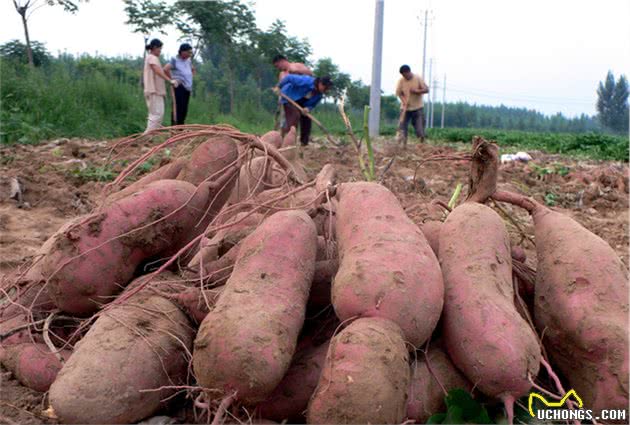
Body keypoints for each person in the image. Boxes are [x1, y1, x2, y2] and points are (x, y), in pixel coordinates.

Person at [274, 74, 333, 146]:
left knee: (307, 119)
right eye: (325, 88)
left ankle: (304, 143)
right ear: (320, 83)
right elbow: (289, 78)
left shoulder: (319, 95)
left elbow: (312, 104)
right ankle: (289, 141)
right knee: (294, 116)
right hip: (289, 98)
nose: (325, 90)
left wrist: (308, 108)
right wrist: (279, 86)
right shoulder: (306, 81)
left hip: (302, 104)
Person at [143, 38, 178, 133]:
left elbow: (160, 70)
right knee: (156, 114)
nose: (160, 51)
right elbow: (157, 70)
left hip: (156, 91)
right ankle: (145, 137)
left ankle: (149, 137)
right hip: (154, 90)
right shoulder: (152, 57)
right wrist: (169, 80)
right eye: (159, 49)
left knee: (158, 114)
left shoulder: (153, 58)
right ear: (154, 48)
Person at [272, 54, 312, 130]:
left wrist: (298, 71)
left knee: (304, 118)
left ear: (282, 61)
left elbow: (310, 74)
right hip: (288, 101)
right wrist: (279, 98)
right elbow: (281, 88)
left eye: (278, 66)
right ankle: (286, 137)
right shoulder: (282, 74)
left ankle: (304, 141)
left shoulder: (297, 65)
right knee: (287, 121)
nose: (278, 68)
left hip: (301, 97)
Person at [395, 64, 429, 144]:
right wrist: (404, 101)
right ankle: (403, 146)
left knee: (419, 130)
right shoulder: (401, 81)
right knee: (402, 128)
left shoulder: (418, 78)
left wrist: (417, 91)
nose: (404, 77)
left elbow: (427, 89)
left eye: (405, 75)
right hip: (405, 109)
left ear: (409, 72)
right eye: (403, 75)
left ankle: (422, 144)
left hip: (418, 108)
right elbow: (399, 93)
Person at [164, 43, 196, 126]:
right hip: (179, 86)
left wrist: (190, 76)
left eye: (190, 52)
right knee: (178, 109)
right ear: (182, 52)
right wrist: (172, 80)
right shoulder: (175, 60)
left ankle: (180, 129)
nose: (190, 54)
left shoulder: (188, 60)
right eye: (188, 52)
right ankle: (175, 128)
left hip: (187, 88)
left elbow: (192, 69)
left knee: (184, 110)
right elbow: (166, 69)